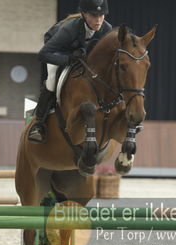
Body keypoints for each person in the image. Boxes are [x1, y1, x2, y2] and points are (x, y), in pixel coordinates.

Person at [28, 0, 112, 143]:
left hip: (81, 54)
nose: (98, 20)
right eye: (94, 15)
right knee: (52, 78)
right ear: (84, 14)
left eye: (102, 15)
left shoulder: (106, 29)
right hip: (58, 51)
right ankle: (39, 123)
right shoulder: (69, 29)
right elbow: (42, 55)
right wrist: (68, 60)